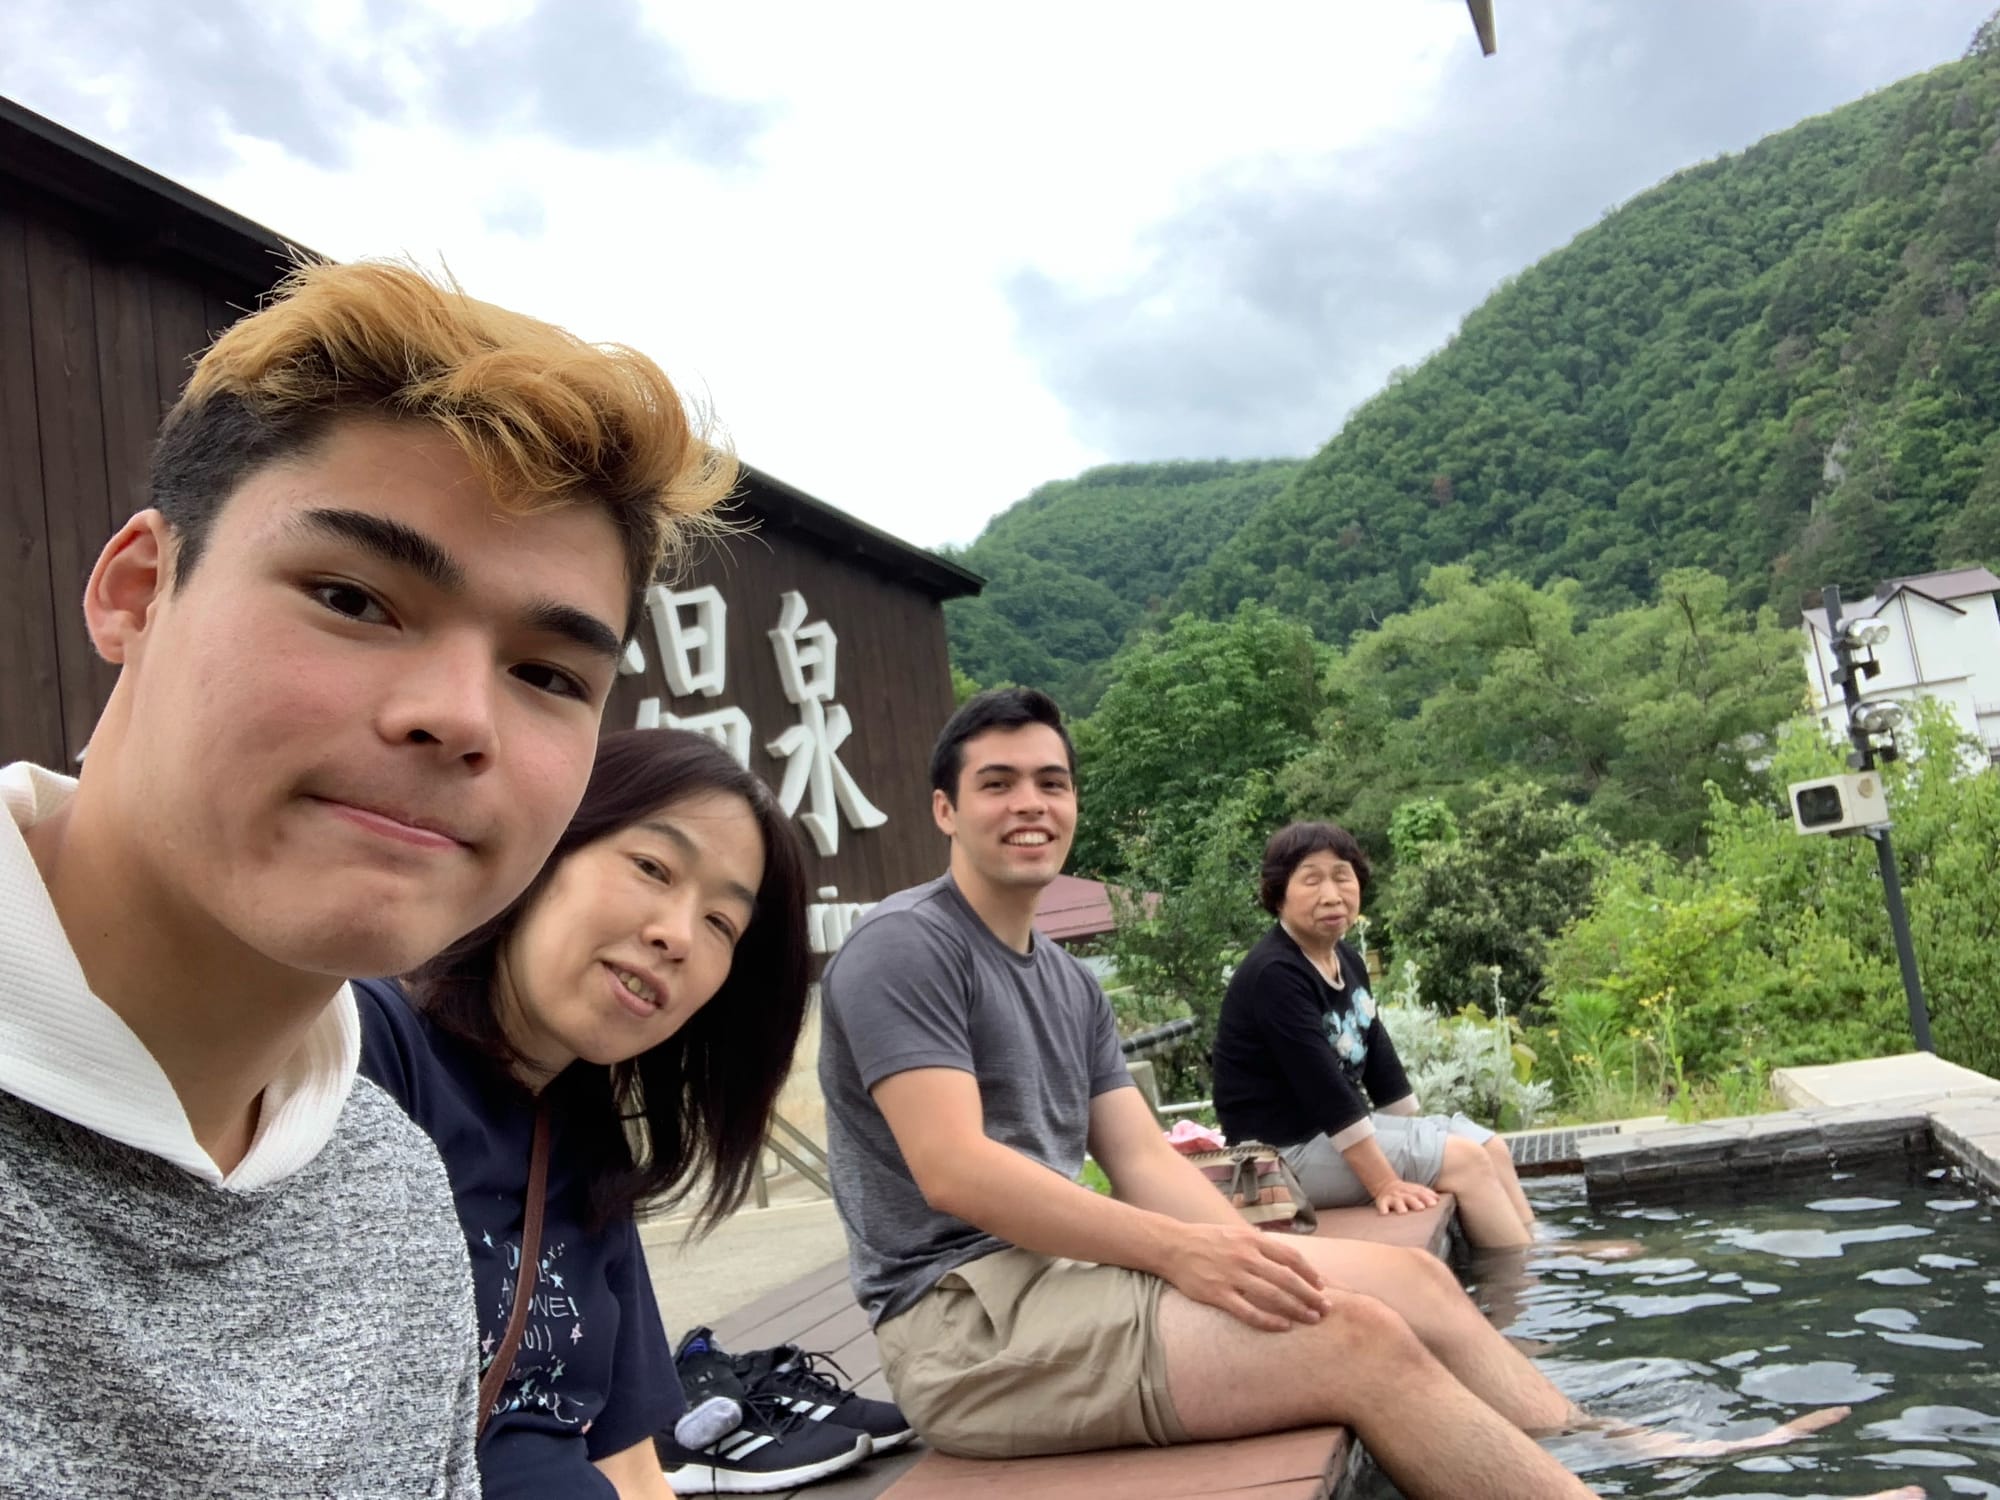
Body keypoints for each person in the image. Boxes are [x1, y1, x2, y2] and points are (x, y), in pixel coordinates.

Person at [0, 259, 730, 1494]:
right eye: (353, 597)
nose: (459, 720)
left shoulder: (393, 1195)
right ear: (137, 591)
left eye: (549, 676)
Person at [816, 687, 1856, 1500]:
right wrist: (1186, 1252)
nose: (1029, 804)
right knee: (1355, 1343)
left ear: (1074, 803)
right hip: (965, 1331)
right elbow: (952, 1169)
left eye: (1050, 781)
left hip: (1066, 1286)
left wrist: (1249, 1250)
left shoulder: (1061, 978)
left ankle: (1613, 1443)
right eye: (997, 784)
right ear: (945, 808)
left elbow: (1137, 1160)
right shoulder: (905, 949)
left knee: (1411, 1286)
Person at [358, 728, 903, 1499]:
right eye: (652, 868)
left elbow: (633, 1470)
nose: (677, 935)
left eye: (721, 924)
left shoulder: (582, 1148)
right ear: (544, 852)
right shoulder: (365, 1051)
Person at [1211, 821, 1539, 1249]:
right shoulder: (1275, 974)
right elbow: (1323, 1089)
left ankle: (1539, 1249)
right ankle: (1518, 1289)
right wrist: (1386, 1183)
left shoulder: (1343, 956)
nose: (1332, 894)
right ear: (1278, 895)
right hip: (1282, 1157)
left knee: (1489, 1146)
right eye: (1311, 880)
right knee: (1465, 1161)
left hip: (1326, 1140)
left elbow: (1378, 1054)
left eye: (1342, 876)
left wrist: (1416, 1140)